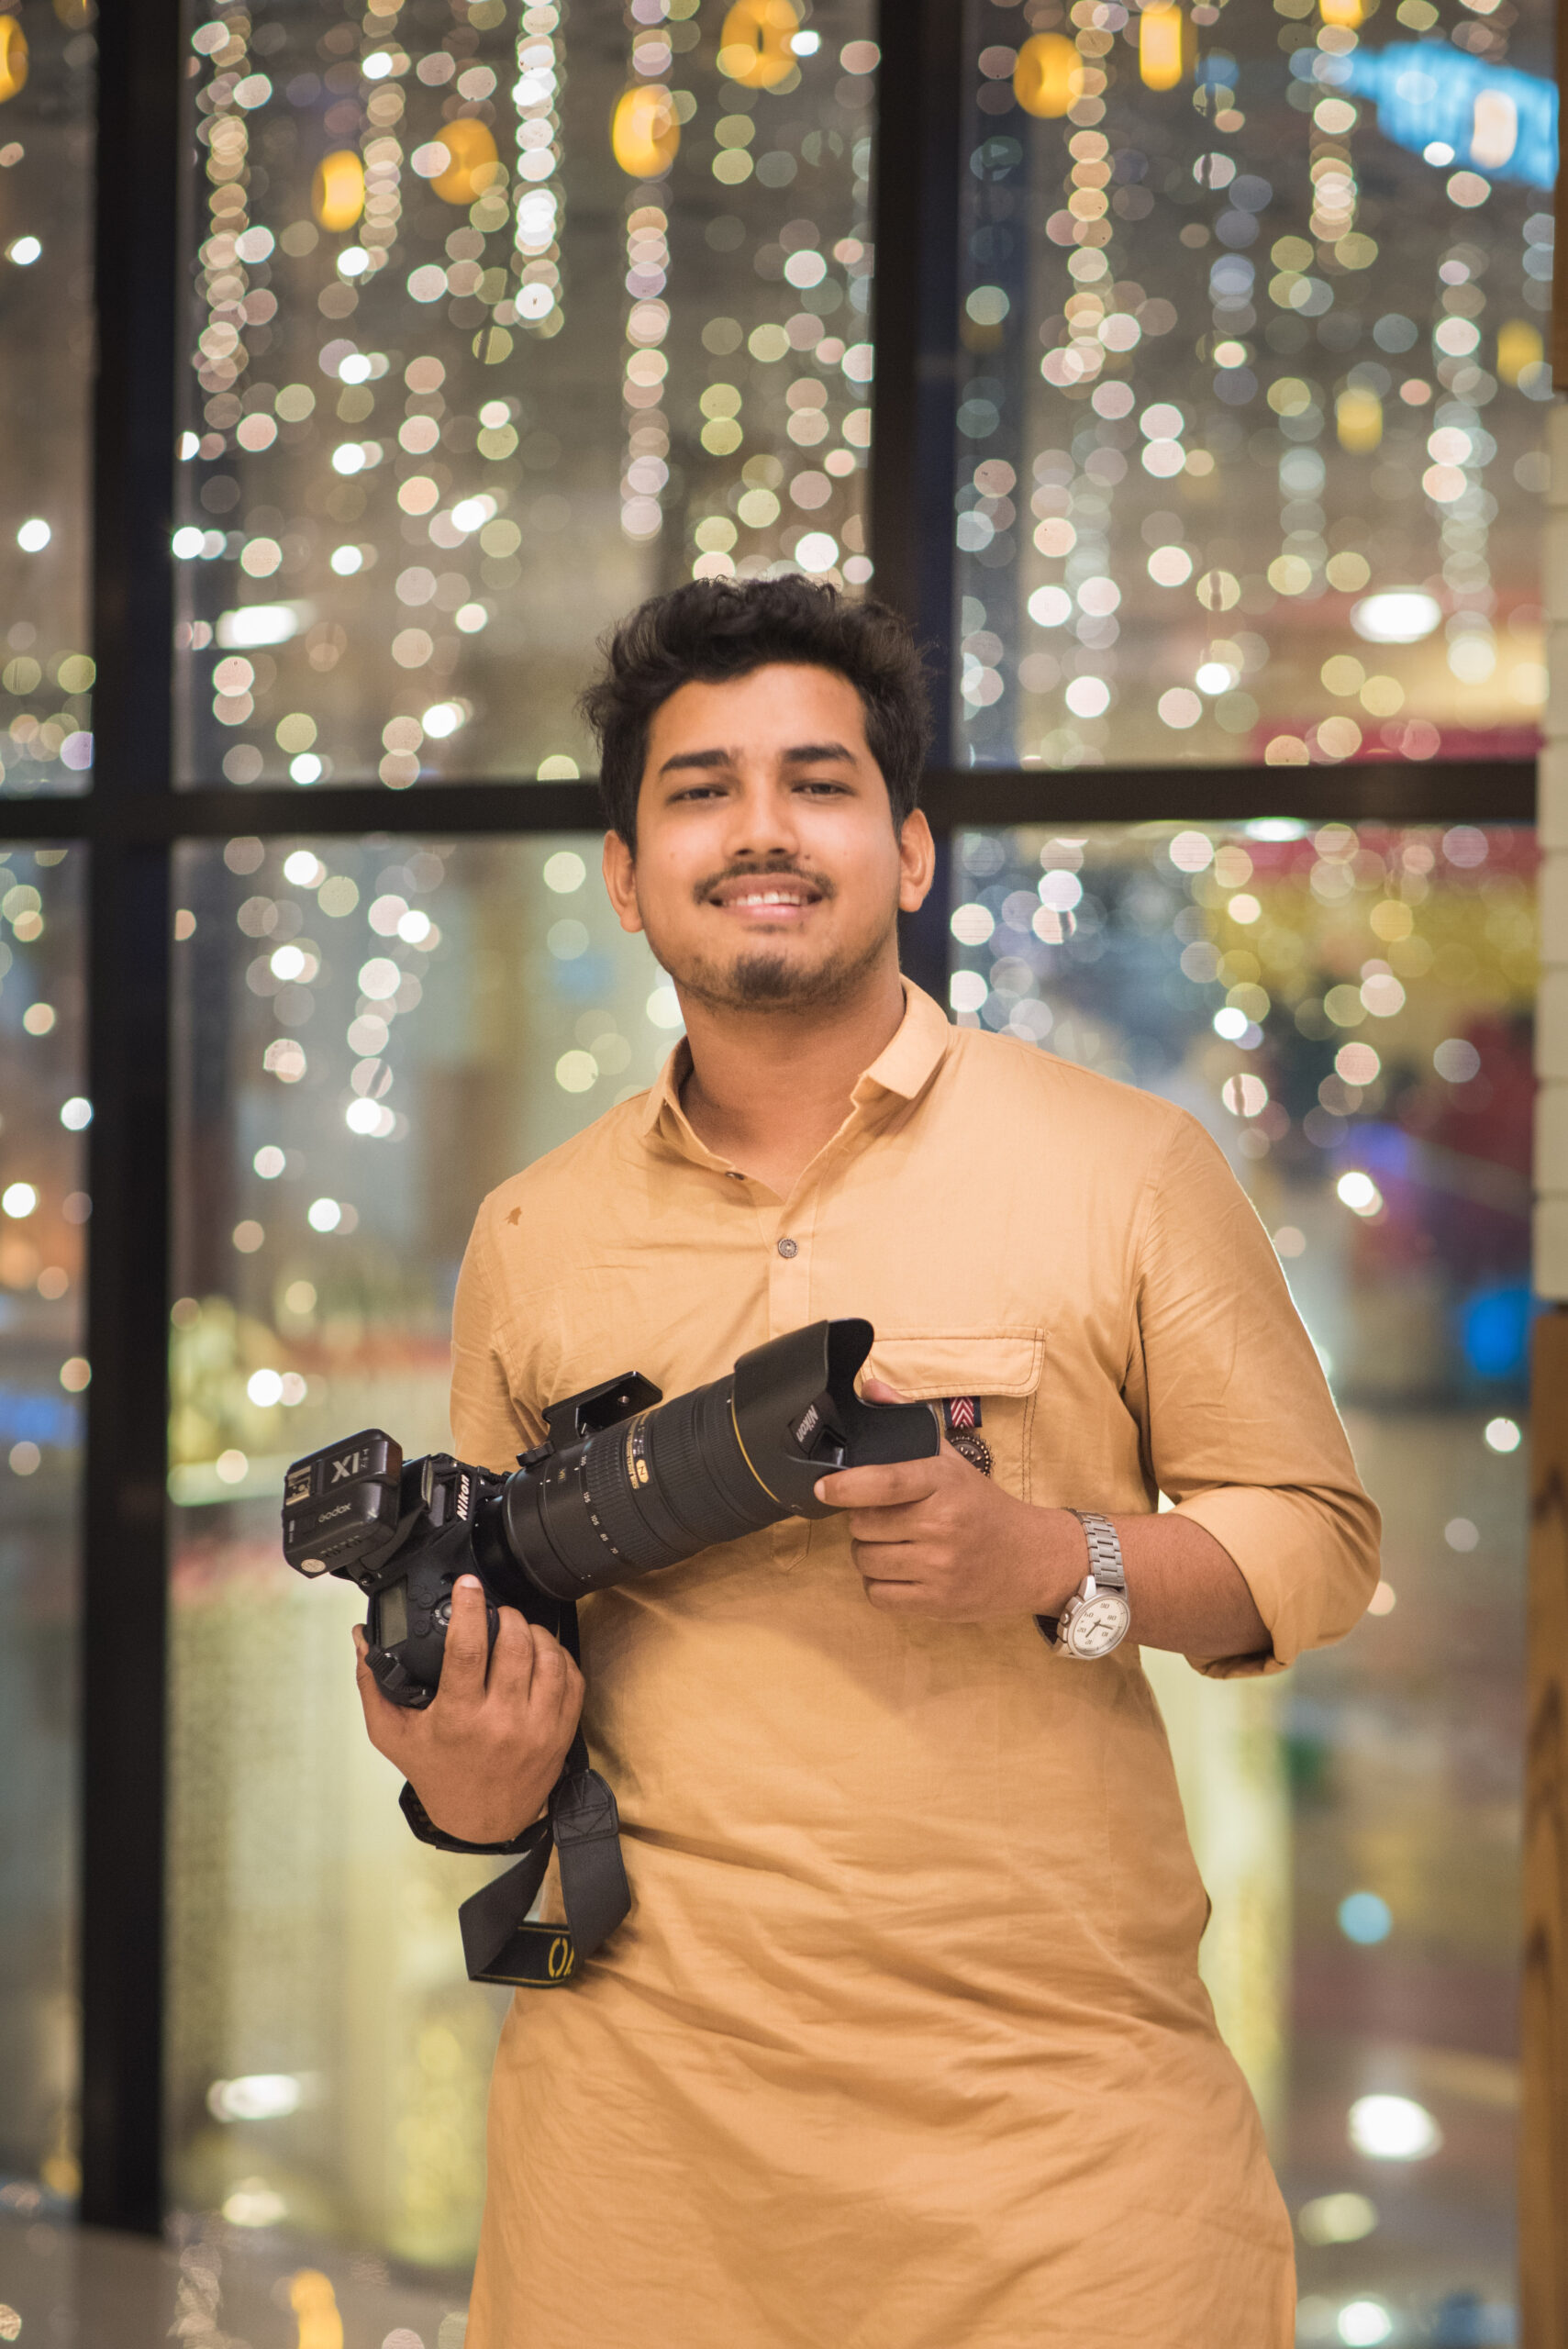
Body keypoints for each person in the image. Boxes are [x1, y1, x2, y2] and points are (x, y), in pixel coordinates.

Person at [353, 577, 1380, 2349]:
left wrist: (1053, 1561)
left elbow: (1317, 1542)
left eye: (817, 783)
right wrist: (457, 1776)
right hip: (637, 2150)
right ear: (625, 874)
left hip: (1059, 2145)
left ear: (907, 851)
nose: (762, 829)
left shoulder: (1121, 1167)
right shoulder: (534, 1231)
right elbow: (498, 1654)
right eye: (701, 791)